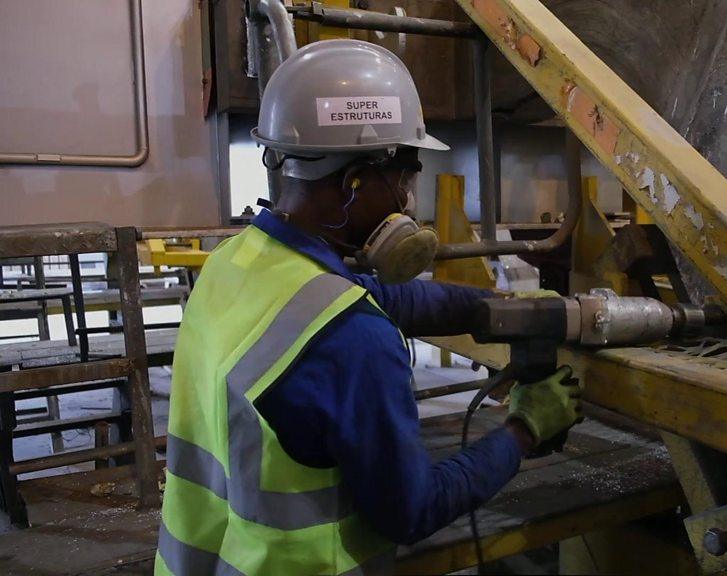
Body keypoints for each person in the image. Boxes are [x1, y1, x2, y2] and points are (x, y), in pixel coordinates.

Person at [155, 39, 583, 576]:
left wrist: (501, 307)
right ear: (355, 183)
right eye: (404, 179)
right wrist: (524, 428)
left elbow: (391, 299)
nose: (407, 203)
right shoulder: (354, 341)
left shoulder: (233, 263)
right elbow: (411, 510)